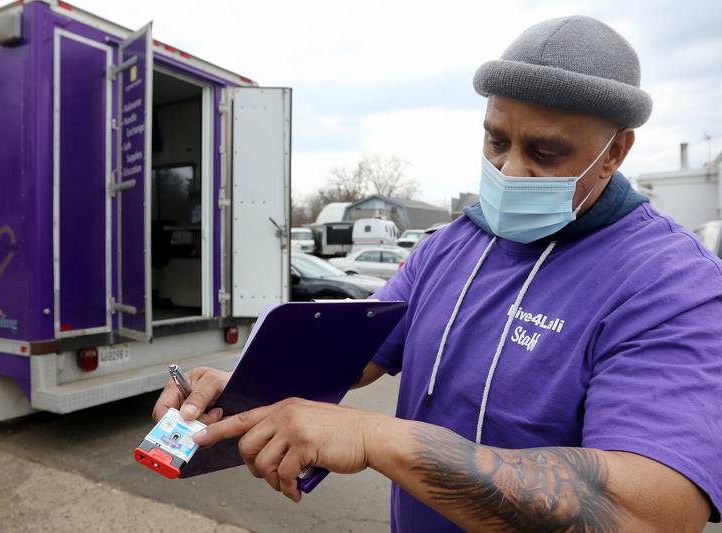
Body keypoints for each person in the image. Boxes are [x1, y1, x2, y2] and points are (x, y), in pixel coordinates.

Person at [153, 15, 722, 532]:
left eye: (546, 153)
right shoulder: (453, 244)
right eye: (497, 141)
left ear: (616, 151)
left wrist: (377, 437)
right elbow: (355, 356)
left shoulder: (672, 285)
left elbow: (650, 513)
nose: (511, 170)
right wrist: (247, 383)